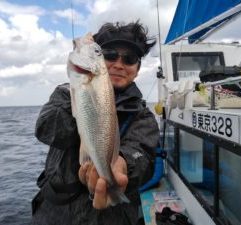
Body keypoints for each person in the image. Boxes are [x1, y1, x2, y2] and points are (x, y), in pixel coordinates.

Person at [31, 20, 160, 225]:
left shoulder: (143, 116)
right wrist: (80, 94)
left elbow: (143, 155)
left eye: (129, 58)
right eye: (108, 55)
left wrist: (123, 165)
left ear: (137, 69)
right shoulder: (66, 92)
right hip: (55, 213)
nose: (119, 64)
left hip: (112, 217)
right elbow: (46, 129)